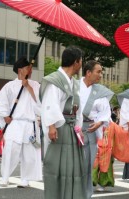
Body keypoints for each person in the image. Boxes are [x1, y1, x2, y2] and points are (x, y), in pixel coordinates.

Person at [0, 57, 42, 187]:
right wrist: (5, 116)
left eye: (30, 67)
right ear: (20, 70)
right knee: (11, 149)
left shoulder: (35, 85)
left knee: (28, 153)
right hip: (15, 123)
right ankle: (5, 176)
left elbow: (40, 103)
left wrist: (28, 86)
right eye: (28, 67)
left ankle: (26, 179)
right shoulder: (10, 86)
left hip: (30, 123)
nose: (30, 70)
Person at [39, 46, 86, 199]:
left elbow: (78, 110)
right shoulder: (55, 80)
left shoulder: (75, 83)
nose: (81, 64)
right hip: (59, 129)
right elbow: (49, 105)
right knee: (58, 167)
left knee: (72, 168)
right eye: (81, 61)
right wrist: (51, 126)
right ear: (76, 62)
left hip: (72, 129)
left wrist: (79, 129)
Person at [75, 60, 114, 198]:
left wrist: (99, 123)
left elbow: (105, 112)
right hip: (74, 129)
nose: (101, 75)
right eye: (98, 71)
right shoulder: (74, 86)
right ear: (88, 72)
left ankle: (86, 194)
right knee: (73, 163)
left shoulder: (100, 91)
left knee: (88, 163)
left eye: (101, 72)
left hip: (90, 128)